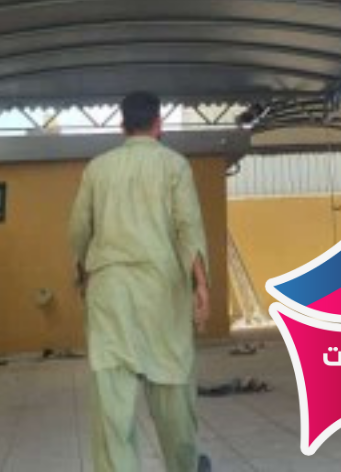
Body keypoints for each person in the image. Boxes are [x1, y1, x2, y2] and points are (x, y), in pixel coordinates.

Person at [69, 90, 212, 472]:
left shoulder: (97, 169)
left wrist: (82, 274)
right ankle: (184, 465)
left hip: (109, 292)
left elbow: (79, 230)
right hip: (161, 291)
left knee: (112, 403)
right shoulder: (175, 166)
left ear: (122, 126)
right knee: (173, 388)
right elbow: (188, 228)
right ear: (158, 124)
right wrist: (201, 286)